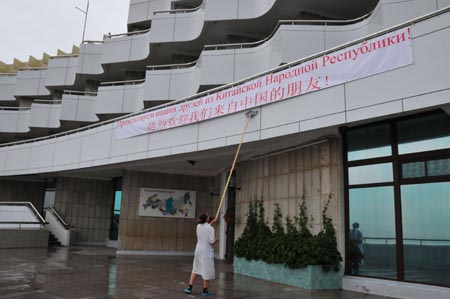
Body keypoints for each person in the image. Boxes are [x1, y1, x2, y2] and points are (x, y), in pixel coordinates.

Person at [184, 213, 218, 296]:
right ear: (206, 219)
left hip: (198, 251)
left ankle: (189, 287)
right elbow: (211, 242)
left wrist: (211, 223)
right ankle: (205, 290)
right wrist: (217, 240)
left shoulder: (198, 226)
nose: (209, 216)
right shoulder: (210, 229)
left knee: (195, 268)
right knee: (205, 269)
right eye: (208, 216)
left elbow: (205, 228)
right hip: (206, 252)